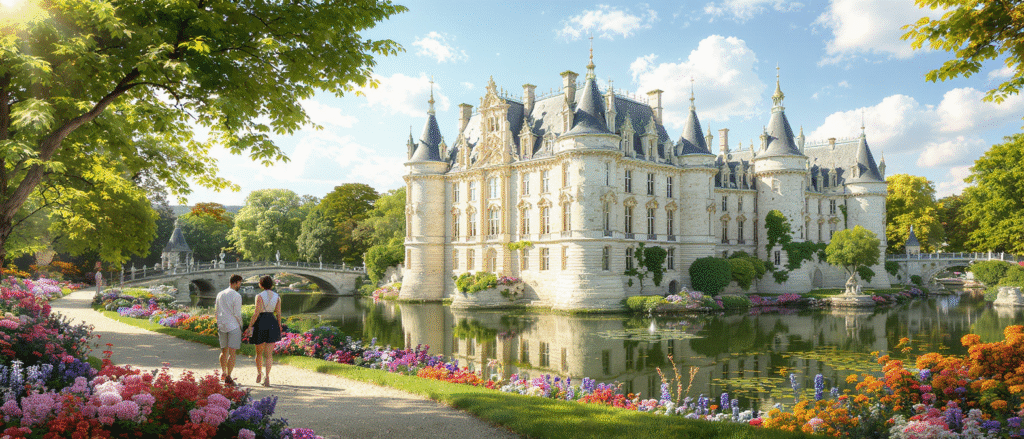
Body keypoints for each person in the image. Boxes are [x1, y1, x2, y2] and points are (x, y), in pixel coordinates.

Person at [245, 275, 281, 387]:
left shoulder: (259, 296)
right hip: (272, 321)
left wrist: (250, 326)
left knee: (259, 353)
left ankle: (259, 373)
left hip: (261, 322)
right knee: (269, 355)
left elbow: (256, 312)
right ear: (271, 284)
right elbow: (279, 313)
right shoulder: (277, 296)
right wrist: (279, 325)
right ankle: (267, 377)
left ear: (261, 284)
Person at [215, 274, 244, 386]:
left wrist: (219, 322)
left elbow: (216, 311)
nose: (240, 285)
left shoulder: (220, 294)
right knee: (232, 353)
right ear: (236, 282)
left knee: (223, 351)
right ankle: (228, 376)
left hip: (222, 325)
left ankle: (223, 372)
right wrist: (241, 325)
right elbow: (237, 313)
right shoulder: (236, 295)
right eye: (239, 283)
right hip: (233, 326)